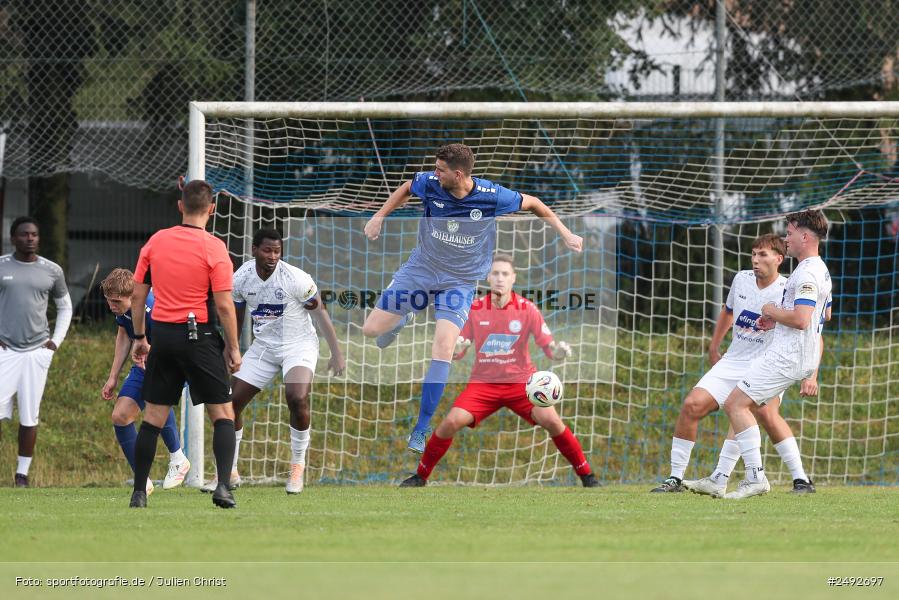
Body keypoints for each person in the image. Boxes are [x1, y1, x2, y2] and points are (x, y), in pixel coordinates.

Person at [362, 143, 583, 453]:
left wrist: (566, 232)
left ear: (458, 173)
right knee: (370, 330)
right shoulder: (430, 183)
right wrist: (379, 216)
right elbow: (407, 187)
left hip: (459, 282)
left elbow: (534, 203)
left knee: (443, 347)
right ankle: (404, 317)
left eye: (440, 170)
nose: (434, 174)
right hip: (422, 269)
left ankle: (421, 427)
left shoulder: (491, 196)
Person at [399, 254, 600, 487]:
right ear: (487, 277)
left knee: (552, 420)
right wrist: (458, 347)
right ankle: (420, 476)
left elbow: (550, 349)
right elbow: (457, 351)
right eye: (495, 273)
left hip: (522, 385)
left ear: (513, 278)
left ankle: (588, 477)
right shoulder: (474, 309)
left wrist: (560, 352)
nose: (500, 278)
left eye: (505, 274)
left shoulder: (528, 309)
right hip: (483, 385)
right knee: (450, 422)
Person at [649, 234, 820, 495]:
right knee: (692, 405)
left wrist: (812, 374)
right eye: (753, 254)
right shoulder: (741, 279)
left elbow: (814, 332)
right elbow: (728, 312)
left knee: (758, 413)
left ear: (778, 259)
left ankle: (795, 479)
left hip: (767, 363)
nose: (755, 260)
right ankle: (676, 478)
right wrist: (714, 345)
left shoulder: (788, 288)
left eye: (762, 255)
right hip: (733, 360)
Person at [201, 227, 345, 494]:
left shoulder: (295, 279)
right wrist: (232, 350)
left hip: (298, 344)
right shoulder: (242, 277)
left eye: (277, 251)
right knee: (230, 404)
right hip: (264, 347)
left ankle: (297, 468)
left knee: (297, 397)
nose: (272, 256)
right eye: (267, 250)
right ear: (254, 250)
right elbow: (236, 316)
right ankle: (228, 472)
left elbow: (321, 313)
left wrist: (336, 353)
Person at [128, 179, 242, 509]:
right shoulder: (215, 248)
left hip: (162, 335)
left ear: (180, 206)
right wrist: (233, 348)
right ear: (212, 209)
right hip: (199, 336)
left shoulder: (156, 242)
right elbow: (223, 305)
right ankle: (222, 486)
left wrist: (140, 337)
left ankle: (138, 492)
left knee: (153, 417)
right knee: (223, 413)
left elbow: (137, 295)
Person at [721, 210, 832, 499]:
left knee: (735, 405)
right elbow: (826, 314)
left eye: (791, 232)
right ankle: (793, 479)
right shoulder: (819, 268)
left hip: (787, 355)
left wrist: (771, 310)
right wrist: (775, 319)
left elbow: (801, 320)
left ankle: (754, 478)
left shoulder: (806, 272)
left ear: (805, 237)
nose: (787, 238)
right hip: (797, 354)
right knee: (756, 409)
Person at [100, 268, 191, 494]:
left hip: (171, 362)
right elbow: (123, 334)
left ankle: (178, 458)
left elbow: (172, 337)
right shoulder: (122, 307)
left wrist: (149, 350)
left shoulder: (153, 309)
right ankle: (144, 479)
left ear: (133, 296)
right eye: (109, 301)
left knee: (155, 398)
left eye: (116, 302)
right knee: (120, 416)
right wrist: (112, 377)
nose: (112, 306)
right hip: (144, 365)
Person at [0, 217, 72, 487]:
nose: (30, 238)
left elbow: (65, 307)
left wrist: (54, 342)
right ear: (13, 237)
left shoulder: (52, 270)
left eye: (34, 234)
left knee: (29, 415)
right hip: (4, 351)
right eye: (24, 234)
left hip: (36, 352)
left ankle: (22, 475)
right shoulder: (2, 265)